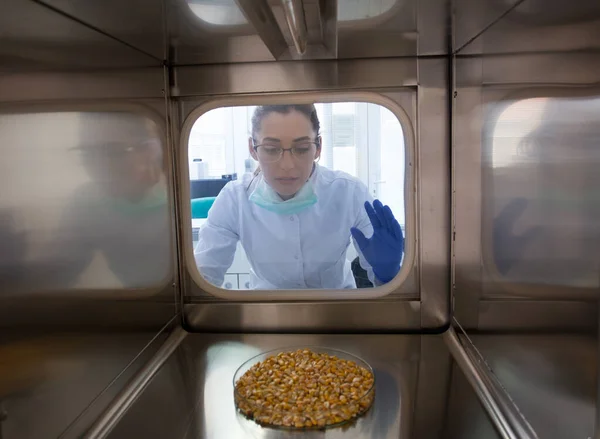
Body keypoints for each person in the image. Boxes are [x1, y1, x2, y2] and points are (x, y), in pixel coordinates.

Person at [195, 104, 404, 290]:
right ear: (253, 148)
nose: (287, 165)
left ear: (318, 147)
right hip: (265, 318)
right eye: (271, 149)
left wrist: (390, 275)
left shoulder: (349, 193)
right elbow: (203, 278)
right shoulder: (234, 199)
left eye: (302, 149)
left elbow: (392, 291)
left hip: (340, 316)